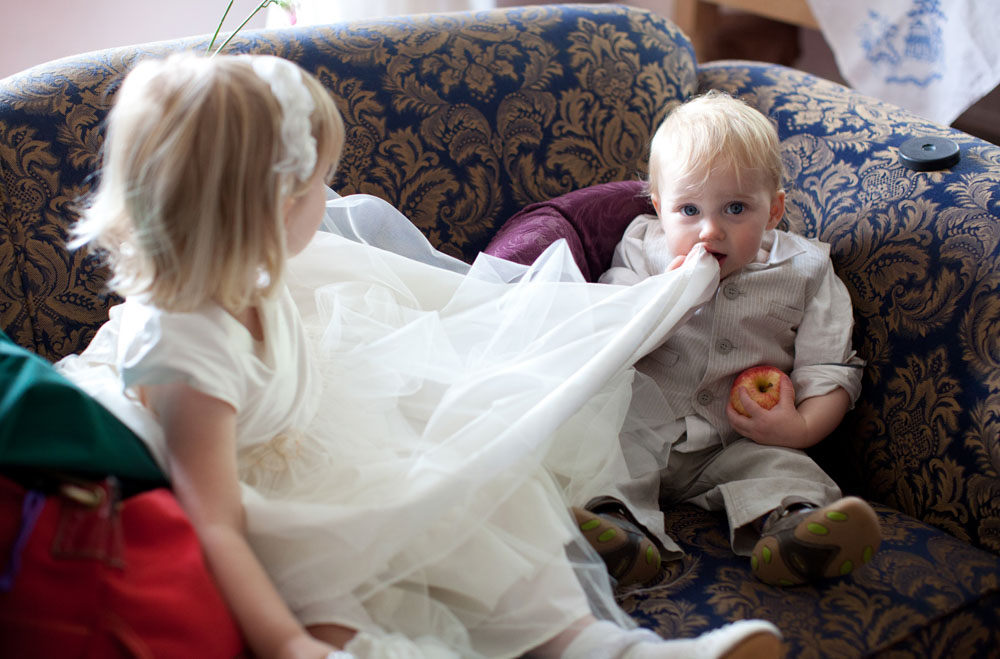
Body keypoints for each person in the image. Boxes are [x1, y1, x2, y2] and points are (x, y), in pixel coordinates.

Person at [54, 55, 783, 658]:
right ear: (268, 204)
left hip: (318, 448)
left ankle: (609, 648)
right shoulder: (186, 341)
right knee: (352, 598)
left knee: (475, 506)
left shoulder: (259, 277)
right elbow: (216, 520)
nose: (329, 198)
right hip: (268, 503)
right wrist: (282, 641)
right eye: (316, 187)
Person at [597, 90, 881, 587]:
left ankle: (792, 533)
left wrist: (800, 430)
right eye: (688, 210)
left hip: (738, 441)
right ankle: (620, 534)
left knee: (789, 470)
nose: (710, 231)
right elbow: (610, 329)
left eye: (734, 208)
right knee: (600, 456)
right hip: (642, 427)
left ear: (772, 211)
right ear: (660, 210)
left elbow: (830, 370)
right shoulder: (643, 249)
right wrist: (671, 292)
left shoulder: (809, 269)